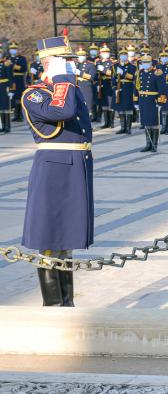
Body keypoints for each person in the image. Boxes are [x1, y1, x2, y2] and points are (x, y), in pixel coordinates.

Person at [22, 35, 93, 306]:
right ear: (49, 63)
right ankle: (52, 306)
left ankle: (68, 303)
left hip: (74, 166)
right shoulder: (35, 93)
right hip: (54, 169)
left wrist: (67, 82)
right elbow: (60, 112)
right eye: (66, 61)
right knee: (50, 238)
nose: (72, 67)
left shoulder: (68, 88)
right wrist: (62, 80)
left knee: (66, 239)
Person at [136, 55, 167, 152]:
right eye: (143, 62)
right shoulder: (139, 73)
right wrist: (136, 101)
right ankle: (148, 144)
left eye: (147, 62)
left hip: (153, 101)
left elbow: (162, 89)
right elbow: (136, 88)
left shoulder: (157, 73)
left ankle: (154, 145)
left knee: (154, 123)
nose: (145, 64)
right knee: (146, 123)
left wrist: (160, 102)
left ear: (151, 62)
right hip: (143, 100)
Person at [113, 45, 137, 134]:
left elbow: (133, 77)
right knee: (120, 109)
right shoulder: (115, 66)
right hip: (119, 90)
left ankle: (128, 128)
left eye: (125, 54)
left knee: (128, 109)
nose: (123, 56)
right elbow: (113, 79)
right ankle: (123, 127)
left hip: (128, 89)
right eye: (121, 54)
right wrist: (115, 88)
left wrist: (124, 73)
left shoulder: (132, 67)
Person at [74, 46, 97, 123]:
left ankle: (88, 125)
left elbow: (91, 77)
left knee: (87, 108)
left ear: (85, 56)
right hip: (76, 87)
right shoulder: (75, 65)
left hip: (86, 88)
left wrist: (80, 73)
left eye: (82, 55)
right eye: (79, 56)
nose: (80, 57)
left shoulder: (90, 65)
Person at [8, 40, 27, 122]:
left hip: (19, 80)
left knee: (19, 98)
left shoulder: (22, 58)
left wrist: (13, 66)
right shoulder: (7, 58)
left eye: (15, 48)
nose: (13, 50)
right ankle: (15, 115)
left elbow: (24, 68)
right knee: (12, 98)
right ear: (9, 49)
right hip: (10, 80)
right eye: (12, 48)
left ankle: (20, 115)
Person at [0, 53, 11, 133]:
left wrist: (11, 89)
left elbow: (10, 77)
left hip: (5, 87)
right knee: (1, 107)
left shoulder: (6, 64)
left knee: (6, 106)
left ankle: (7, 127)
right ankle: (2, 126)